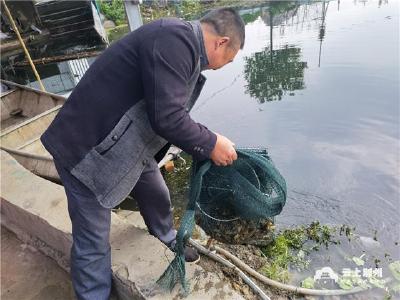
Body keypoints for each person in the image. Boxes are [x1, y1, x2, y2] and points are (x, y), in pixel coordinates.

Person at [40, 7, 245, 300]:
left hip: (124, 145)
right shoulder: (175, 39)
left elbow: (167, 110)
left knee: (156, 193)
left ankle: (167, 238)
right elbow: (167, 117)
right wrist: (211, 143)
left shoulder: (182, 44)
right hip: (86, 150)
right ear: (221, 42)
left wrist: (207, 139)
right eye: (229, 59)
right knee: (93, 241)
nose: (224, 66)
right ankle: (93, 295)